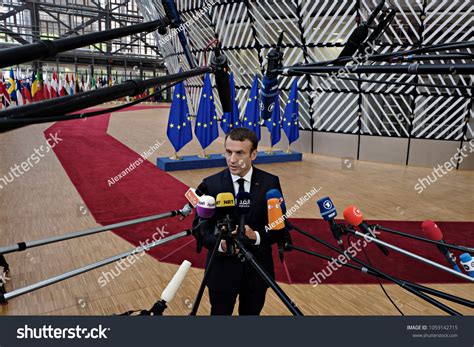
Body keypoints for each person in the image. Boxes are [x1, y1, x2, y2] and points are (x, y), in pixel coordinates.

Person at [195, 127, 285, 315]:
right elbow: (199, 230)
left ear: (253, 154)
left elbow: (279, 229)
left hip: (257, 272)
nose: (232, 159)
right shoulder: (211, 184)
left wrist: (257, 236)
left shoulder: (270, 183)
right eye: (228, 152)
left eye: (239, 153)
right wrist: (221, 244)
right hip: (221, 272)